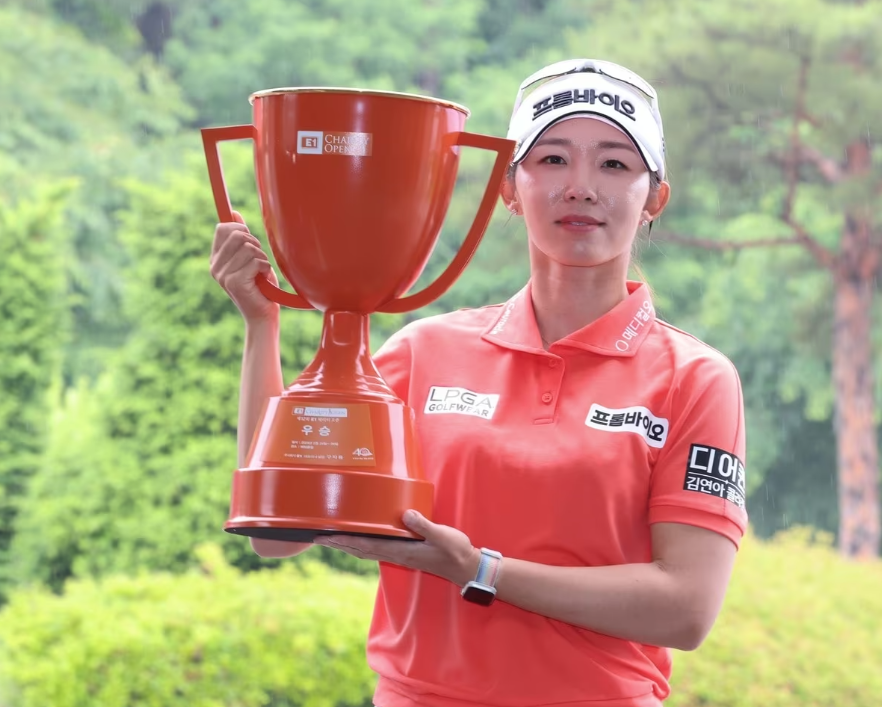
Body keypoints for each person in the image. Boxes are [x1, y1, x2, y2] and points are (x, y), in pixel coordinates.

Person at [210, 59, 748, 707]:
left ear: (654, 197)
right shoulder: (423, 353)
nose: (581, 187)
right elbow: (275, 532)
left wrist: (479, 570)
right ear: (509, 188)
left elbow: (686, 609)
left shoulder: (694, 379)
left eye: (614, 164)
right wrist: (261, 325)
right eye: (552, 159)